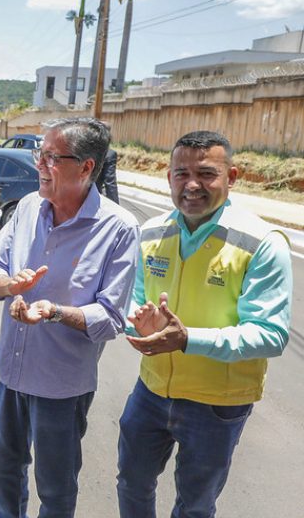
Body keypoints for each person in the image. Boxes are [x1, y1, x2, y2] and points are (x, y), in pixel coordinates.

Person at [116, 130, 292, 517]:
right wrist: (136, 325)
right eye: (181, 173)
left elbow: (271, 334)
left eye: (207, 174)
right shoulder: (150, 233)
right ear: (168, 178)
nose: (192, 185)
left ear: (232, 177)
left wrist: (187, 339)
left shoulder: (261, 242)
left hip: (217, 404)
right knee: (131, 482)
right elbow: (135, 298)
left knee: (195, 504)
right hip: (151, 391)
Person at [0, 117, 140, 518]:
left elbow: (111, 316)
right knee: (5, 474)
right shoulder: (29, 208)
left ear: (86, 167)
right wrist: (8, 286)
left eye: (51, 157)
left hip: (62, 388)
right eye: (40, 154)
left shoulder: (118, 228)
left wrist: (53, 312)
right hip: (11, 374)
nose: (40, 165)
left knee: (56, 488)